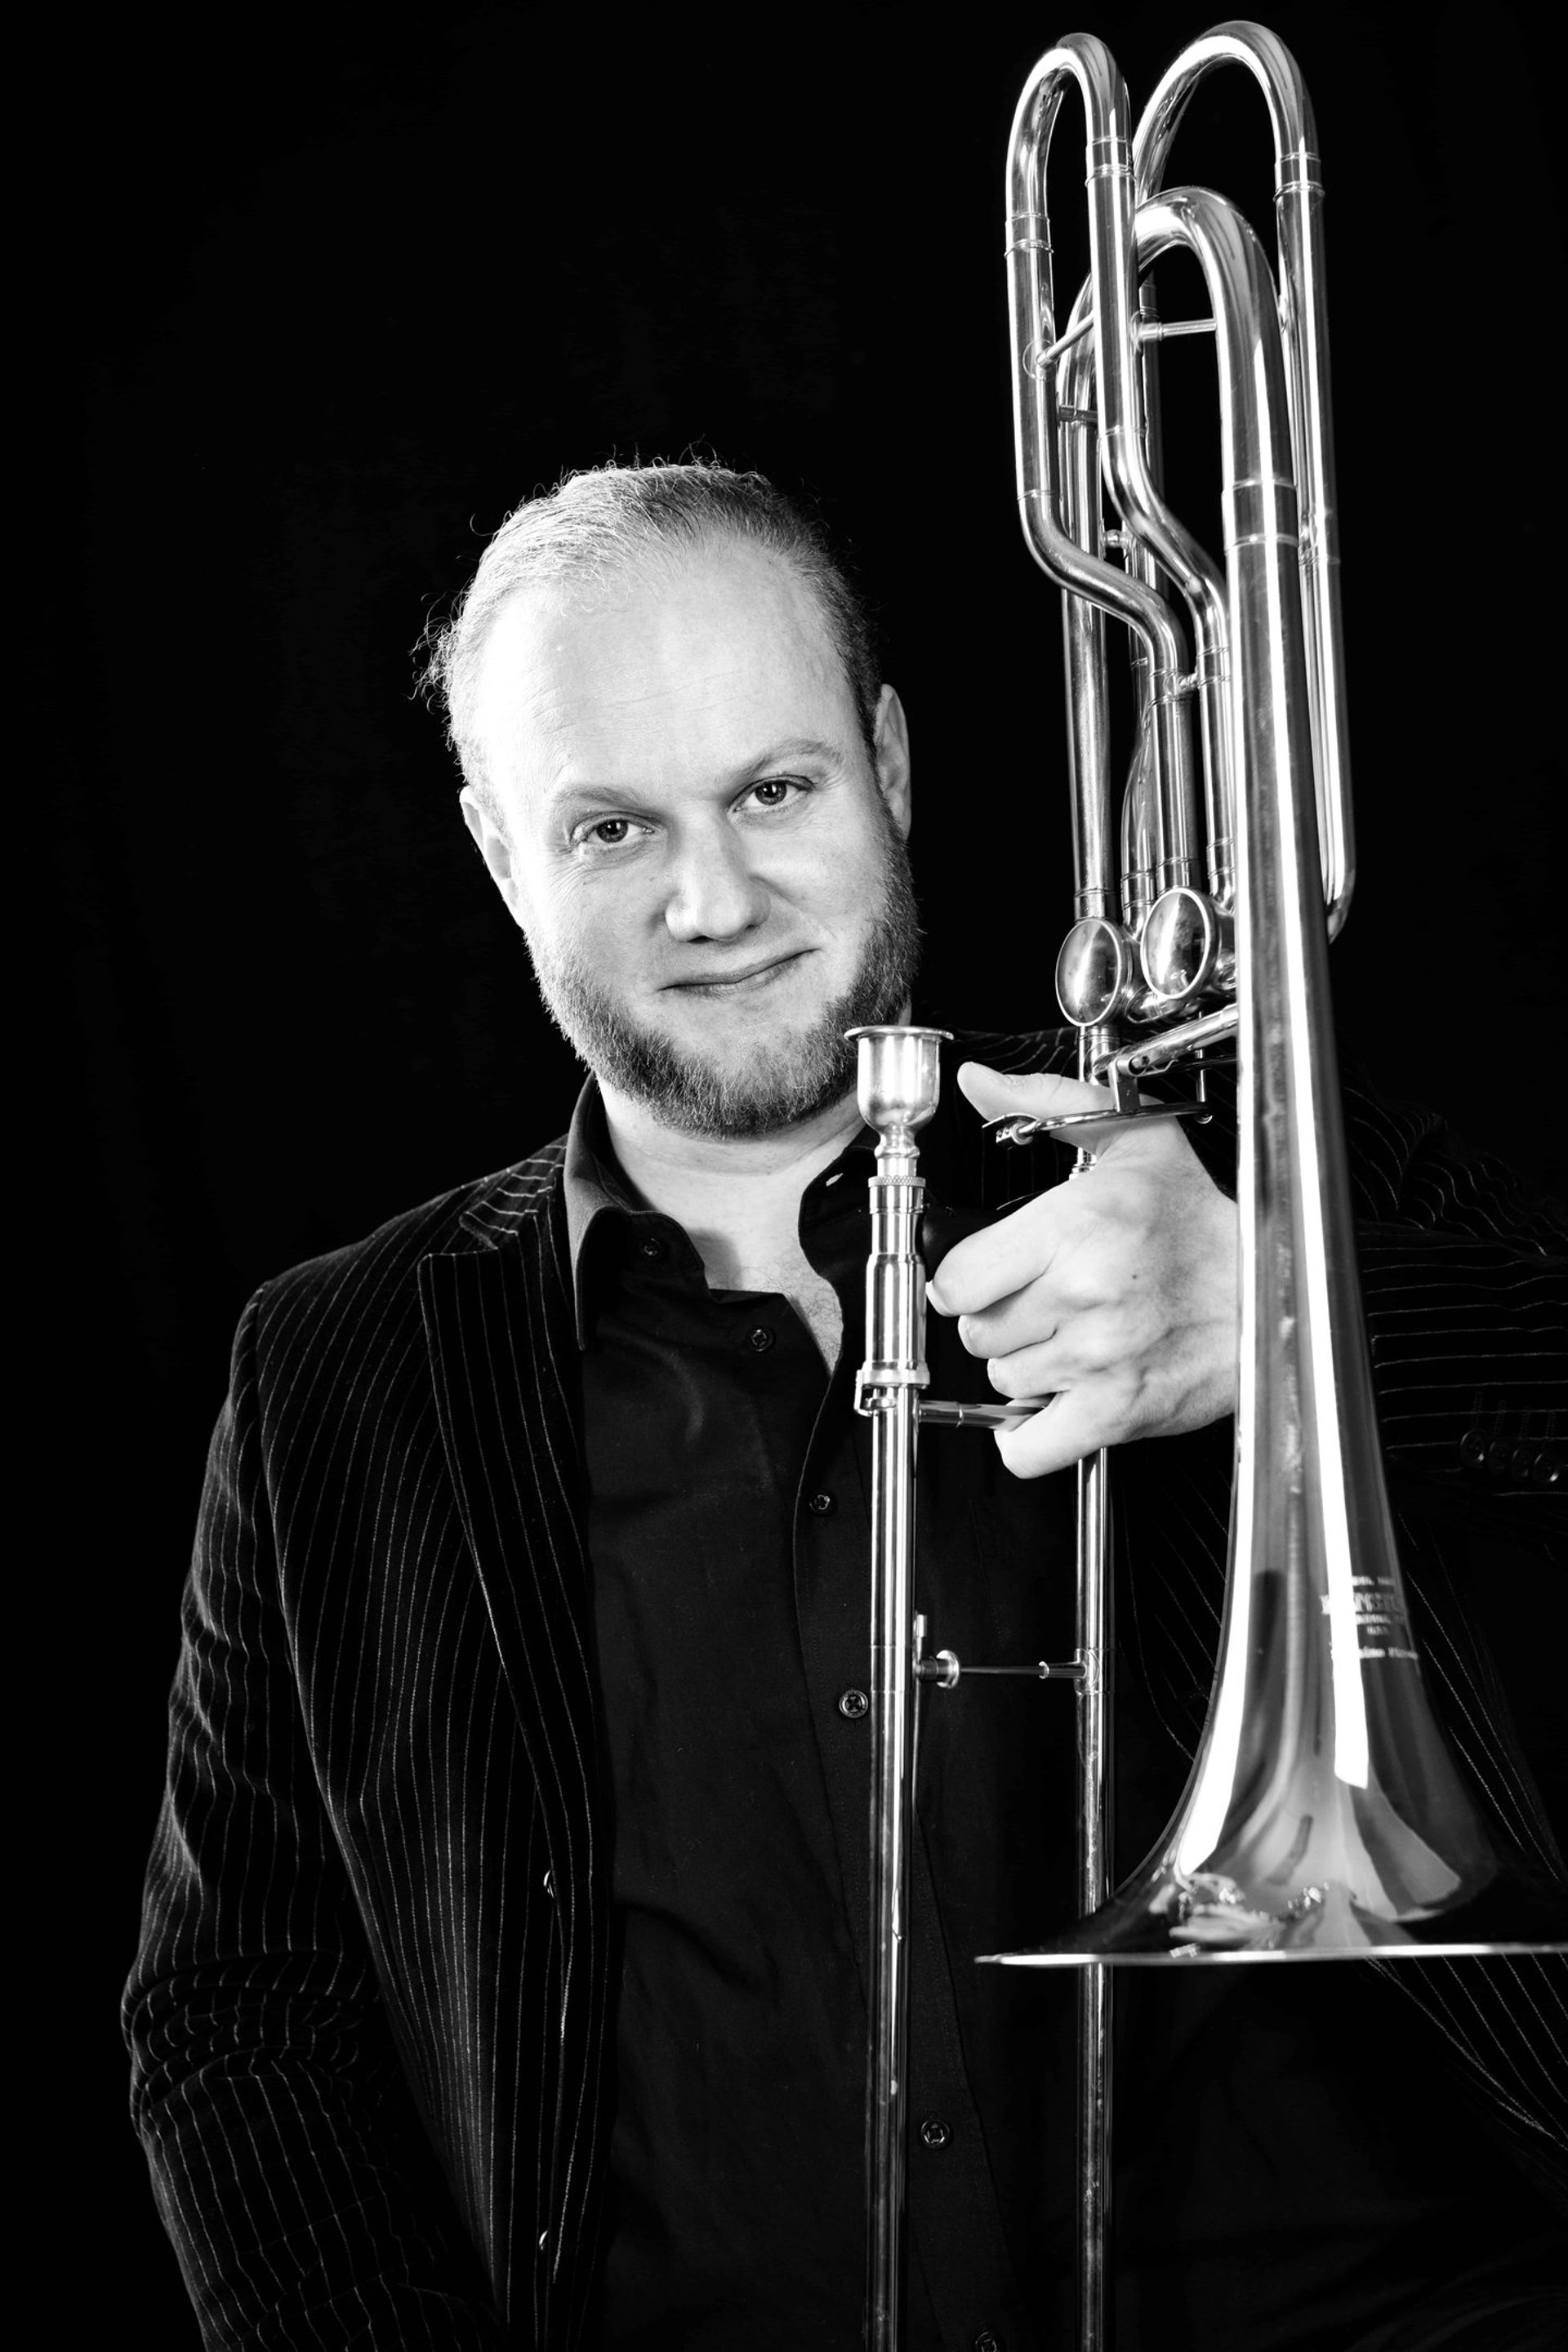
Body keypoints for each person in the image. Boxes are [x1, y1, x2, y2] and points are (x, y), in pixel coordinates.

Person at [125, 462, 1566, 2351]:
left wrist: (1296, 1320)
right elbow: (240, 2026)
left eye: (773, 789)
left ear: (887, 755)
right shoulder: (338, 1370)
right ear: (495, 850)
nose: (711, 902)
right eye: (611, 830)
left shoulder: (1226, 1137)